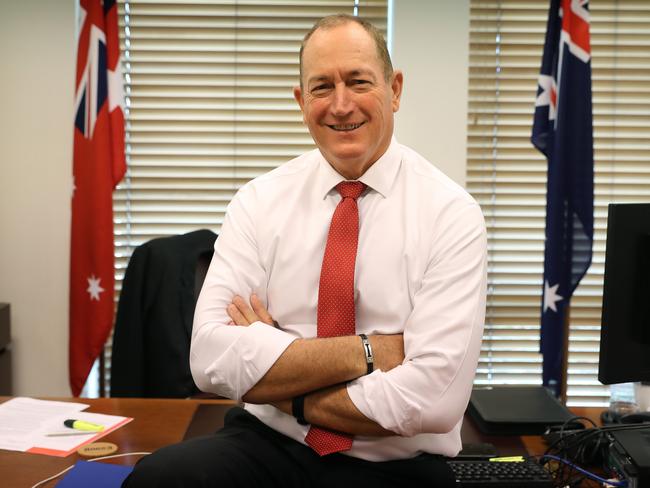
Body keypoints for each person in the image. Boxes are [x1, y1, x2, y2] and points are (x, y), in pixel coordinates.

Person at [123, 13, 487, 488]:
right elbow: (209, 358)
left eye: (358, 82)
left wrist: (279, 374)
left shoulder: (451, 213)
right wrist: (371, 351)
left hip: (395, 464)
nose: (340, 105)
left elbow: (432, 401)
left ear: (394, 89)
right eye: (321, 87)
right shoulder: (259, 200)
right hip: (269, 444)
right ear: (301, 101)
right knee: (157, 479)